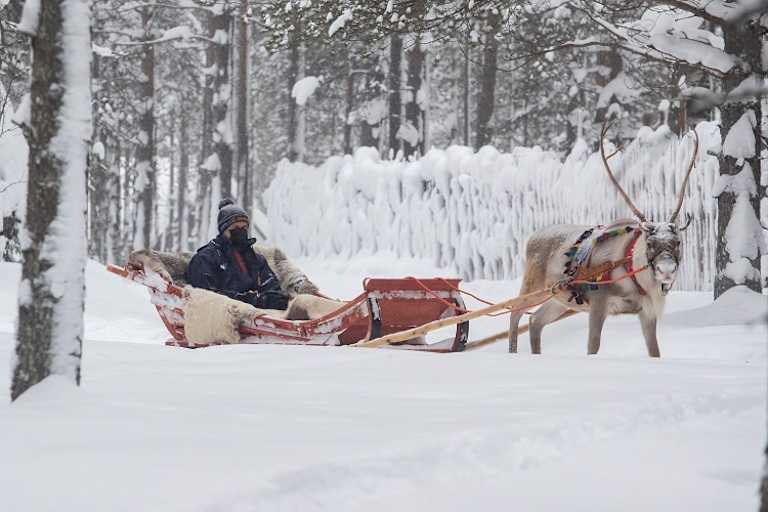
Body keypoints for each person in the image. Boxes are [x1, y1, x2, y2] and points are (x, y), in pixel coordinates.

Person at [185, 199, 291, 310]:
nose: (240, 232)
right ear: (223, 230)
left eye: (244, 228)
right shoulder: (206, 258)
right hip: (224, 317)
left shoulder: (257, 259)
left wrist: (274, 299)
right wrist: (254, 300)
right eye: (235, 228)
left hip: (260, 319)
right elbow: (206, 296)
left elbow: (272, 287)